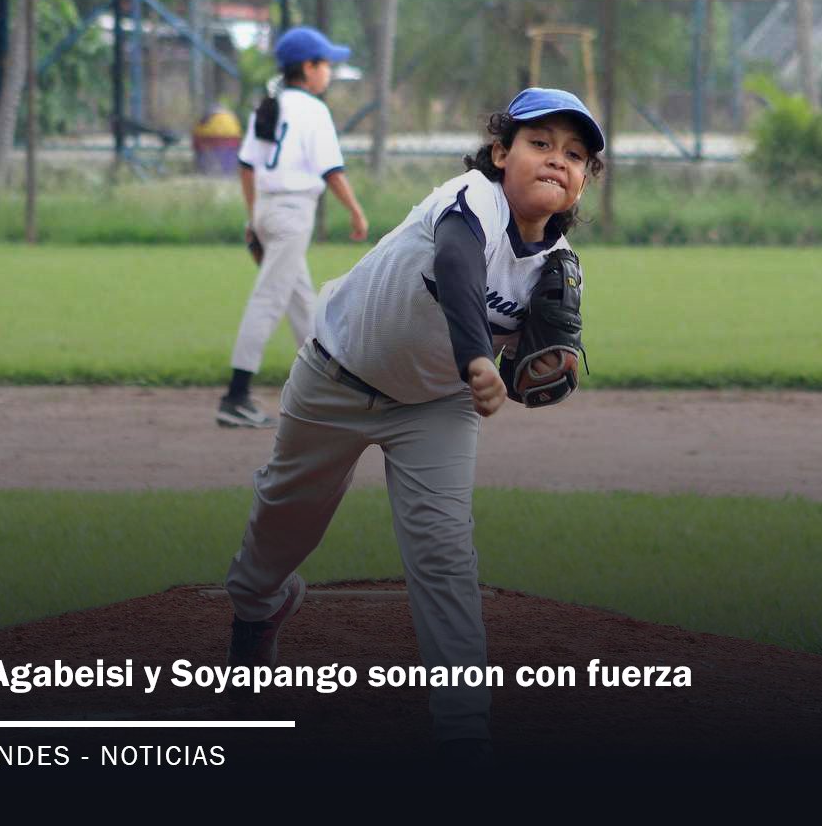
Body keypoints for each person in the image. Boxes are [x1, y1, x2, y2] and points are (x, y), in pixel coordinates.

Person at [224, 87, 605, 760]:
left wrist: (530, 369)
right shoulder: (469, 200)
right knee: (284, 523)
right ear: (499, 153)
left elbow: (537, 370)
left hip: (436, 407)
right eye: (539, 143)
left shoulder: (553, 271)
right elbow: (458, 267)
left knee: (443, 552)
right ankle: (257, 609)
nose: (557, 159)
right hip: (336, 376)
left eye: (574, 155)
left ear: (581, 187)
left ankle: (463, 731)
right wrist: (477, 356)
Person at [216, 26, 369, 429]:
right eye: (326, 64)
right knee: (268, 300)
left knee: (302, 303)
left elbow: (247, 167)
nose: (329, 72)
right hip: (291, 214)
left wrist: (253, 218)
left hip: (268, 210)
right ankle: (235, 396)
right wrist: (355, 211)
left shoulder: (269, 104)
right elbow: (331, 170)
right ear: (308, 67)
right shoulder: (313, 110)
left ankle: (330, 391)